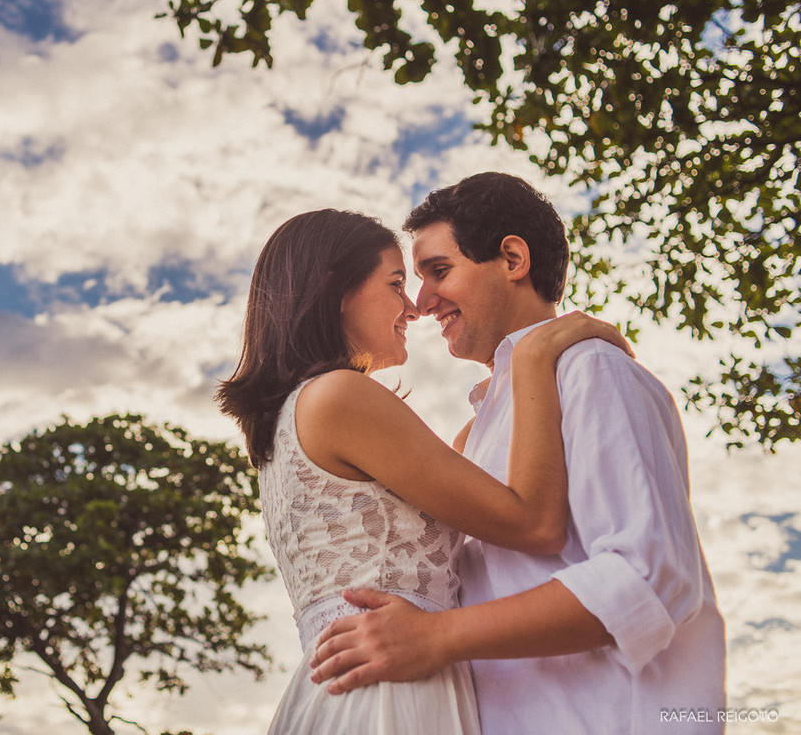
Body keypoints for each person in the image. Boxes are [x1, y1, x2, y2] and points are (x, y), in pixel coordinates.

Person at [308, 173, 726, 733]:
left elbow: (648, 577)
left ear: (511, 258)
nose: (423, 301)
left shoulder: (591, 370)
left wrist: (437, 638)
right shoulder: (481, 432)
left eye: (438, 271)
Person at [217, 208, 631, 734]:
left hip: (358, 685)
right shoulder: (339, 397)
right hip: (390, 694)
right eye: (395, 283)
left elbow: (463, 473)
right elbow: (534, 523)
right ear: (336, 290)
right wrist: (531, 357)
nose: (413, 306)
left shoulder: (295, 418)